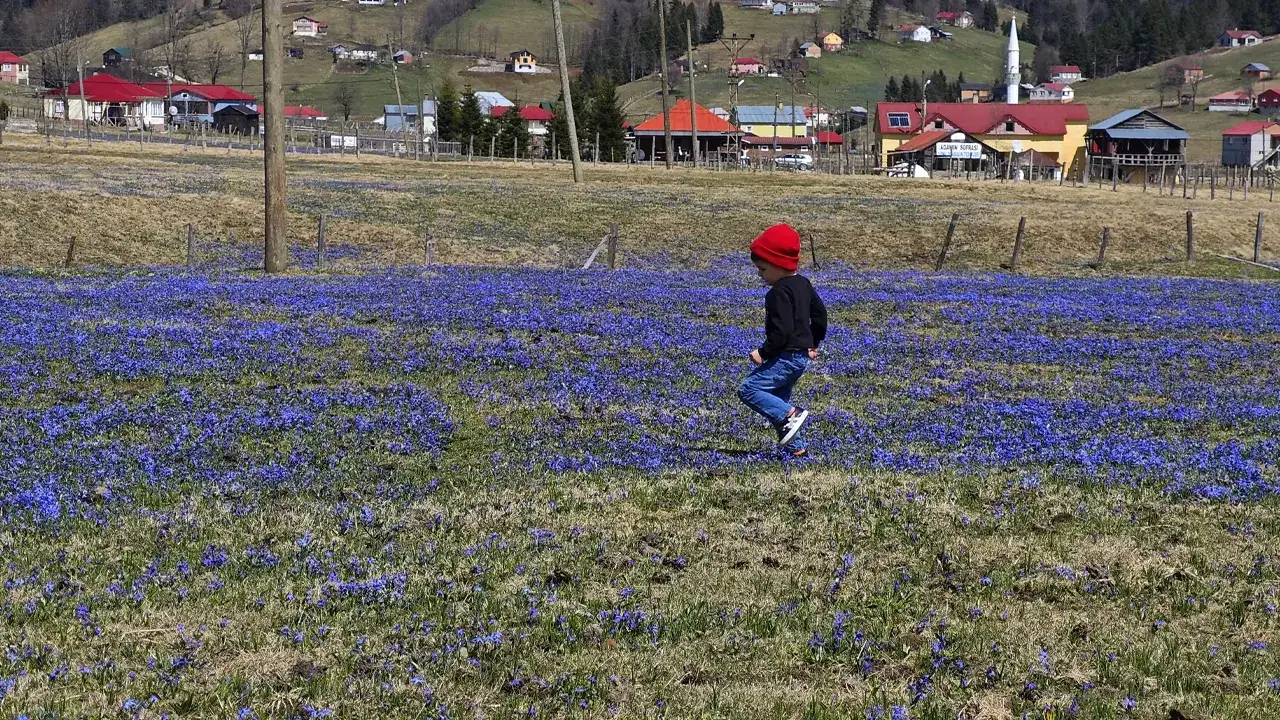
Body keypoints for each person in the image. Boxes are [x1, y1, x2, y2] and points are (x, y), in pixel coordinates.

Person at [737, 223, 827, 457]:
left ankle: (791, 414)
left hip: (785, 356)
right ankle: (797, 450)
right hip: (800, 358)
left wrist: (762, 353)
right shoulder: (804, 284)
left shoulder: (777, 293)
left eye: (763, 269)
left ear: (778, 264)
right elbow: (820, 315)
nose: (760, 275)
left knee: (749, 389)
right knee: (776, 402)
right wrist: (813, 343)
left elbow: (782, 333)